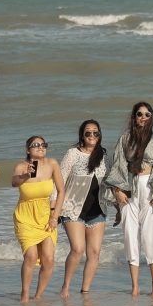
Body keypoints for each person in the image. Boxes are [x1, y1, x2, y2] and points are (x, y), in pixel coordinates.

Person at [105, 102, 153, 296]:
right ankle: (135, 286)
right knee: (130, 235)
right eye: (140, 114)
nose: (143, 117)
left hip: (149, 187)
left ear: (151, 117)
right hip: (129, 188)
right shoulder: (125, 138)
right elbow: (118, 165)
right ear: (134, 116)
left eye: (147, 114)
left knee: (151, 235)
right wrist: (118, 189)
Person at [57, 120, 113, 296]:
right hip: (73, 209)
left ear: (100, 135)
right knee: (78, 249)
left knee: (94, 253)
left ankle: (85, 291)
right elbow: (59, 181)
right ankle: (65, 287)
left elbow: (113, 183)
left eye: (95, 133)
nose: (92, 136)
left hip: (98, 211)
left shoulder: (105, 156)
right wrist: (54, 209)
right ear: (82, 135)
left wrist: (118, 207)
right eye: (88, 133)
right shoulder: (73, 153)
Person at [11, 136, 64, 301]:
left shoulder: (52, 164)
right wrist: (26, 176)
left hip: (45, 215)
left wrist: (55, 217)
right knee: (31, 256)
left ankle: (39, 296)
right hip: (25, 216)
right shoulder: (21, 166)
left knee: (48, 259)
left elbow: (62, 191)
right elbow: (14, 182)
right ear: (28, 149)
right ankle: (25, 294)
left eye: (43, 145)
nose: (40, 147)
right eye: (36, 145)